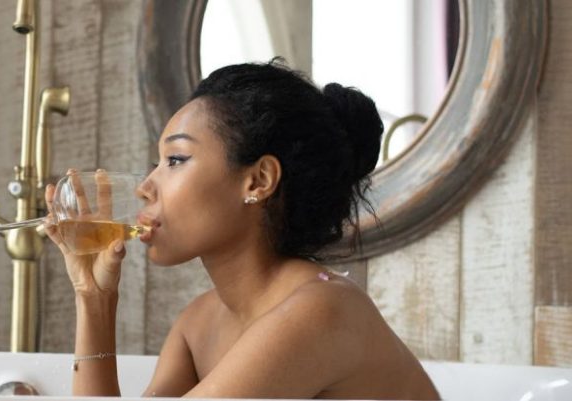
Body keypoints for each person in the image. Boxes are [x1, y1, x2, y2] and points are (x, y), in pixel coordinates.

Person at [44, 60, 440, 399]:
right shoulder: (198, 323)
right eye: (158, 162)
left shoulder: (322, 310)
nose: (144, 187)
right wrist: (93, 299)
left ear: (258, 180)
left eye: (176, 160)